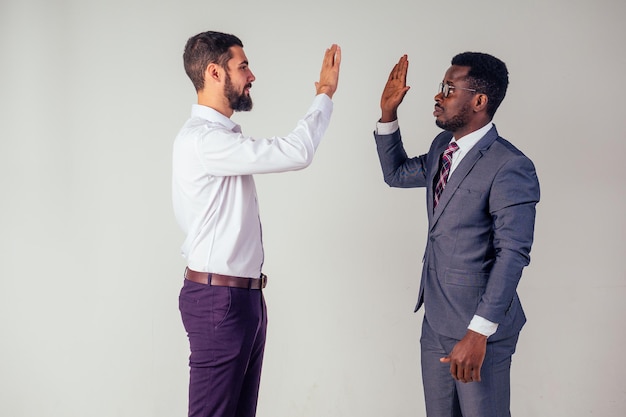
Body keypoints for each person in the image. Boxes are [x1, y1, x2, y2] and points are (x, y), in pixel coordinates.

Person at [172, 31, 340, 417]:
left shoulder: (219, 139)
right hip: (220, 301)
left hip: (241, 298)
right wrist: (324, 95)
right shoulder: (205, 142)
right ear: (214, 73)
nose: (252, 76)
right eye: (242, 66)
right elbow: (296, 151)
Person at [373, 52, 539, 417]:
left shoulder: (510, 166)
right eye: (441, 87)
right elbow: (397, 174)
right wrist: (388, 114)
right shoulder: (441, 149)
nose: (438, 96)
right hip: (435, 322)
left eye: (449, 89)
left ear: (479, 101)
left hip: (480, 329)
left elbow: (512, 253)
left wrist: (479, 332)